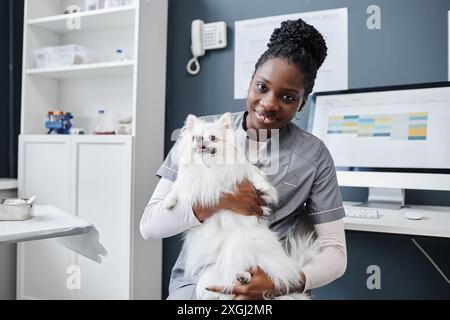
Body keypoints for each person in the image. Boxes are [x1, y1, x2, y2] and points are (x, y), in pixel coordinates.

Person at [140, 18, 347, 300]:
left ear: (303, 101)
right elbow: (149, 225)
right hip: (199, 281)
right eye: (262, 87)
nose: (270, 103)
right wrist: (221, 200)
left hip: (269, 281)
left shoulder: (314, 155)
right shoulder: (201, 133)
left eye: (287, 97)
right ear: (250, 82)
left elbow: (335, 251)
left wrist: (285, 282)